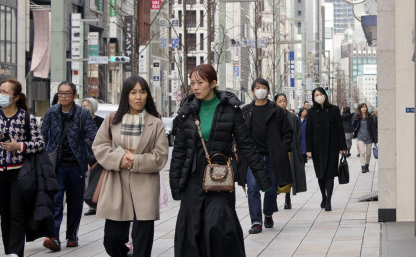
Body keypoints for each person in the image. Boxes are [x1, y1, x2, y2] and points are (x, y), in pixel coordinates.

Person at [170, 64, 271, 257]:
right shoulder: (187, 110)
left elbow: (246, 145)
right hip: (192, 176)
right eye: (192, 83)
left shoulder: (230, 109)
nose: (195, 87)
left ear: (213, 83)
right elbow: (180, 150)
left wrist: (263, 179)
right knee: (192, 229)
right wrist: (175, 184)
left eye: (200, 83)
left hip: (219, 177)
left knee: (218, 225)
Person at [93, 77, 168, 257]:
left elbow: (161, 156)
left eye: (142, 92)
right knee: (111, 238)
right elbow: (99, 146)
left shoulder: (155, 123)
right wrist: (120, 160)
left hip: (145, 185)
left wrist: (135, 160)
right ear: (126, 95)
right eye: (133, 92)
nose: (138, 97)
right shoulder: (112, 120)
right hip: (117, 184)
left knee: (142, 242)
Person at [0, 78, 45, 257]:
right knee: (5, 215)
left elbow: (40, 143)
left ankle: (15, 252)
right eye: (0, 91)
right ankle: (8, 251)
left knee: (16, 213)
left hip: (20, 172)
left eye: (6, 92)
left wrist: (18, 146)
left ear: (16, 97)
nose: (1, 95)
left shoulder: (27, 118)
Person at [41, 81, 98, 251]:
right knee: (56, 201)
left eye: (67, 93)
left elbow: (93, 136)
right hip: (56, 166)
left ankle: (72, 236)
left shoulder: (82, 114)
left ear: (74, 96)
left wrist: (97, 156)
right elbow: (42, 137)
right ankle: (53, 236)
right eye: (60, 93)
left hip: (77, 166)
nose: (63, 96)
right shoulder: (51, 113)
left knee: (75, 203)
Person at [239, 79, 293, 234]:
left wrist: (282, 147)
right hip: (252, 158)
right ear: (252, 91)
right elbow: (240, 134)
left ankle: (267, 214)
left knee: (270, 189)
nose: (260, 90)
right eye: (257, 88)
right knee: (253, 188)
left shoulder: (276, 111)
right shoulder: (246, 111)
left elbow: (288, 132)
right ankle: (256, 221)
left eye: (263, 88)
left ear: (269, 92)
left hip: (272, 157)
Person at [305, 87, 347, 211]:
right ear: (313, 98)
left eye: (321, 94)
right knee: (320, 175)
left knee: (330, 174)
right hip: (317, 147)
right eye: (316, 95)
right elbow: (309, 132)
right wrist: (308, 149)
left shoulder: (334, 109)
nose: (319, 96)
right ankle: (323, 196)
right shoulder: (311, 112)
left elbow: (339, 129)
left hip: (332, 146)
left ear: (325, 95)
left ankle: (328, 200)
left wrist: (343, 147)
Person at [274, 93, 307, 210]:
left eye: (284, 101)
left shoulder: (293, 117)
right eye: (279, 101)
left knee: (289, 174)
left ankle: (287, 199)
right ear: (275, 103)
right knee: (275, 175)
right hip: (276, 151)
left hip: (290, 150)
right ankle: (273, 199)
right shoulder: (272, 116)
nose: (282, 103)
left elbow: (298, 135)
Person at [351, 103, 378, 174]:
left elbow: (373, 128)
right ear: (360, 108)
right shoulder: (356, 116)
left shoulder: (370, 117)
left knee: (368, 153)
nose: (364, 108)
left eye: (365, 107)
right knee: (362, 152)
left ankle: (367, 165)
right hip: (360, 137)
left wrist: (375, 139)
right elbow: (353, 126)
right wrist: (355, 121)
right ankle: (363, 166)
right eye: (362, 107)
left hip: (369, 137)